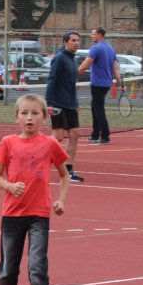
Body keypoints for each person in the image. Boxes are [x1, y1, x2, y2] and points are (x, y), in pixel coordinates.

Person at [0, 93, 71, 285]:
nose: (29, 118)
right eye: (24, 113)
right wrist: (9, 186)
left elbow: (65, 176)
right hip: (12, 215)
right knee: (7, 271)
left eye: (35, 113)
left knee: (37, 269)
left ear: (44, 117)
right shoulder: (7, 143)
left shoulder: (50, 144)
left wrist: (61, 201)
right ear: (17, 117)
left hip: (39, 215)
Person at [45, 30, 84, 183]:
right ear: (65, 42)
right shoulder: (59, 58)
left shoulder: (73, 60)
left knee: (74, 135)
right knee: (58, 137)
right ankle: (39, 160)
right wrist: (49, 104)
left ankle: (68, 170)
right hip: (58, 104)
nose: (76, 43)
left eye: (78, 40)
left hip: (70, 104)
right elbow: (52, 80)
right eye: (73, 40)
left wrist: (76, 103)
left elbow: (72, 85)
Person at [77, 26, 122, 145]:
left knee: (98, 109)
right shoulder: (111, 49)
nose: (91, 36)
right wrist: (119, 83)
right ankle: (95, 134)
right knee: (95, 107)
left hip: (98, 84)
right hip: (106, 84)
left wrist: (73, 75)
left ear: (99, 35)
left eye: (93, 34)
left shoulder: (95, 48)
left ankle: (105, 135)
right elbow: (116, 69)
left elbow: (85, 65)